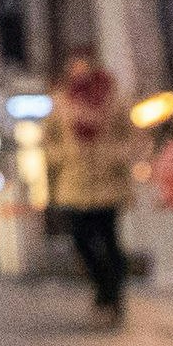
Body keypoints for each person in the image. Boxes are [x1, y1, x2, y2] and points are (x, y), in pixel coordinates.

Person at [42, 54, 139, 326]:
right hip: (75, 181)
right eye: (75, 68)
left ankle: (113, 295)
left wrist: (117, 155)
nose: (80, 72)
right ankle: (102, 287)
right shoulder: (61, 102)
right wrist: (61, 156)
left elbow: (130, 136)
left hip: (108, 183)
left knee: (109, 241)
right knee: (81, 240)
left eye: (84, 67)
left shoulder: (113, 98)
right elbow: (48, 139)